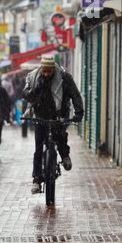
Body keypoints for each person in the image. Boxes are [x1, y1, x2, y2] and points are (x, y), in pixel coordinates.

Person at [23, 55, 84, 194]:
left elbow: (75, 95)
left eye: (48, 72)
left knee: (61, 137)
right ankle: (37, 179)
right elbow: (26, 94)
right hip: (41, 116)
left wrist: (78, 113)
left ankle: (64, 155)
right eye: (44, 71)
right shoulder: (34, 77)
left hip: (59, 115)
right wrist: (37, 89)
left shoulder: (64, 78)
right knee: (38, 148)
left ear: (54, 69)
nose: (46, 74)